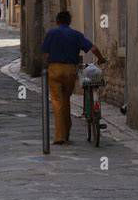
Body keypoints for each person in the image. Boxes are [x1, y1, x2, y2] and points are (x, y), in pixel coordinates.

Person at [41, 10, 105, 145]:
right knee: (66, 100)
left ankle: (60, 136)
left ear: (57, 21)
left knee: (57, 102)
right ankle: (67, 131)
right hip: (70, 70)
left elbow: (45, 54)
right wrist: (101, 59)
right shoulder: (76, 35)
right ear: (69, 22)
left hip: (55, 69)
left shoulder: (51, 34)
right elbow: (92, 48)